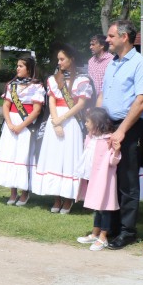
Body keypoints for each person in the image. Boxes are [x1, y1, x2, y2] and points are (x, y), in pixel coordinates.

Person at [97, 20, 143, 249]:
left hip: (129, 128)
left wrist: (121, 130)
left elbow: (142, 101)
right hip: (108, 125)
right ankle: (110, 226)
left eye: (111, 36)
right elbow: (104, 93)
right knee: (108, 178)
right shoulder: (113, 63)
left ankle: (128, 231)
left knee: (128, 180)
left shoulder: (141, 64)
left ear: (124, 37)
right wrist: (98, 121)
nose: (107, 40)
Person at [32, 44, 93, 213]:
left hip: (71, 121)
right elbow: (51, 100)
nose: (59, 62)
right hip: (55, 120)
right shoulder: (53, 79)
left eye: (62, 59)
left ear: (71, 59)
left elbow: (81, 104)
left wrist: (62, 119)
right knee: (54, 157)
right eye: (58, 59)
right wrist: (55, 121)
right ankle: (56, 197)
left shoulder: (82, 79)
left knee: (68, 158)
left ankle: (68, 198)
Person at [0, 55, 45, 206]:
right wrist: (10, 124)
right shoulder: (12, 85)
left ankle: (25, 192)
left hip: (26, 125)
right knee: (11, 155)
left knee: (23, 157)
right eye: (17, 66)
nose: (17, 68)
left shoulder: (37, 86)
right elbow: (6, 105)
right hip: (11, 125)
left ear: (29, 68)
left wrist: (20, 126)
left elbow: (36, 110)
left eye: (21, 66)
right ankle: (12, 192)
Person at [75, 107, 120, 251]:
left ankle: (103, 237)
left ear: (97, 122)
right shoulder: (90, 137)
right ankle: (95, 233)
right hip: (92, 177)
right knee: (97, 206)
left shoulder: (109, 140)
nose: (86, 124)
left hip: (105, 180)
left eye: (88, 121)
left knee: (104, 208)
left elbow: (113, 161)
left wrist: (117, 150)